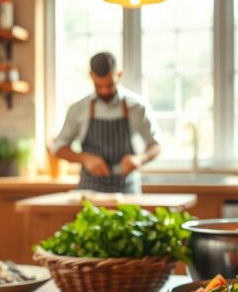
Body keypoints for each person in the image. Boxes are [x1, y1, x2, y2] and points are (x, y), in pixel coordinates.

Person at [52, 52, 162, 194]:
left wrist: (139, 159)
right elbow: (59, 148)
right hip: (89, 194)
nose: (104, 91)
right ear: (91, 76)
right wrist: (85, 158)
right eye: (99, 86)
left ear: (119, 74)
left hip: (127, 193)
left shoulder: (137, 107)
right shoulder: (78, 109)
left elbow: (156, 145)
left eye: (110, 85)